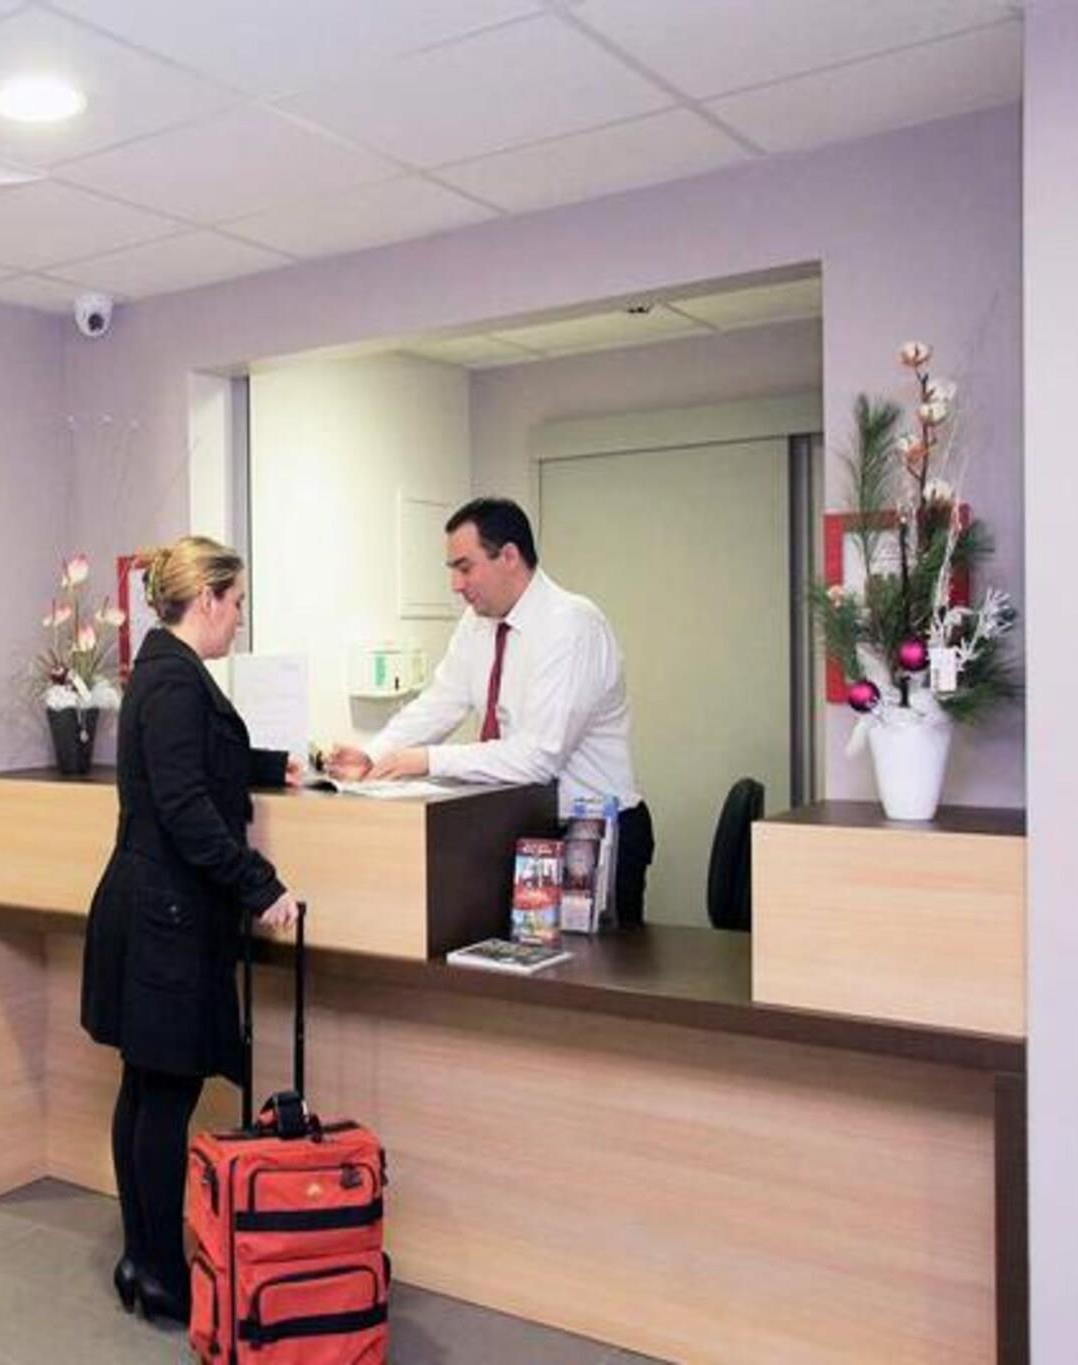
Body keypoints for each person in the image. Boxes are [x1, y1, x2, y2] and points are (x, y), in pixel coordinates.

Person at [80, 535, 301, 1326]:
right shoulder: (175, 680)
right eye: (235, 601)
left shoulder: (162, 670)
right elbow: (184, 808)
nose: (239, 617)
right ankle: (163, 1271)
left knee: (145, 1086)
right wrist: (260, 884)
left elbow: (194, 763)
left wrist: (274, 767)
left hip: (147, 906)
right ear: (205, 598)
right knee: (165, 1093)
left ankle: (140, 1259)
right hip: (166, 915)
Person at [326, 497, 655, 925]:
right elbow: (440, 703)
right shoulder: (476, 624)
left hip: (590, 834)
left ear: (510, 557)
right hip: (522, 827)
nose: (455, 585)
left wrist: (427, 760)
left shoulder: (572, 625)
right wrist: (375, 755)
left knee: (592, 965)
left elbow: (538, 757)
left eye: (465, 568)